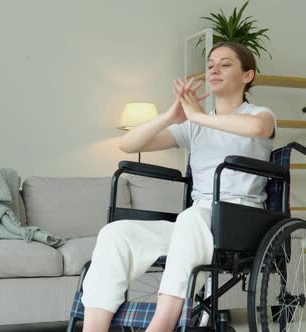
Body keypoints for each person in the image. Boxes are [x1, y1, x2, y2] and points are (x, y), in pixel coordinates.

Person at [81, 41, 277, 332]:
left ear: (247, 75)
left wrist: (197, 115)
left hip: (240, 219)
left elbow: (259, 130)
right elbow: (128, 144)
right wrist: (169, 118)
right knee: (116, 233)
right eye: (210, 65)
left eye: (225, 64)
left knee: (190, 218)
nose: (214, 70)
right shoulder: (194, 126)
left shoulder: (260, 114)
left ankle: (161, 325)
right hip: (197, 221)